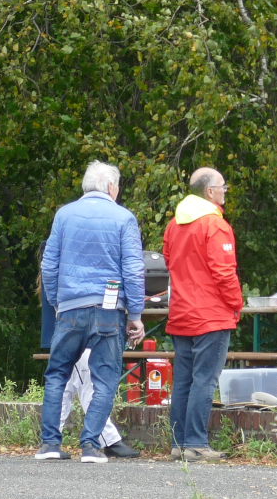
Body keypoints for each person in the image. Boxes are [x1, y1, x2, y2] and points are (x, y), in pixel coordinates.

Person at [38, 161, 146, 463]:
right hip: (109, 311)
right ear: (111, 187)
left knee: (57, 374)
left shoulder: (64, 215)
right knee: (106, 378)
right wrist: (135, 315)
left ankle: (50, 444)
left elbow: (49, 265)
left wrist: (57, 302)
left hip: (70, 308)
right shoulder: (124, 217)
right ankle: (90, 446)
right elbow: (133, 270)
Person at [162, 167, 244, 462]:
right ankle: (196, 443)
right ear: (210, 192)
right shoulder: (215, 225)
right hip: (211, 315)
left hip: (181, 313)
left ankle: (178, 443)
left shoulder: (174, 224)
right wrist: (236, 304)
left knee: (183, 382)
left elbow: (169, 262)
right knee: (204, 381)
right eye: (223, 186)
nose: (225, 191)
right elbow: (224, 273)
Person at [38, 295, 131, 458]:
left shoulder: (56, 283)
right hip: (84, 334)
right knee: (89, 389)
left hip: (62, 332)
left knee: (63, 389)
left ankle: (50, 442)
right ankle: (105, 440)